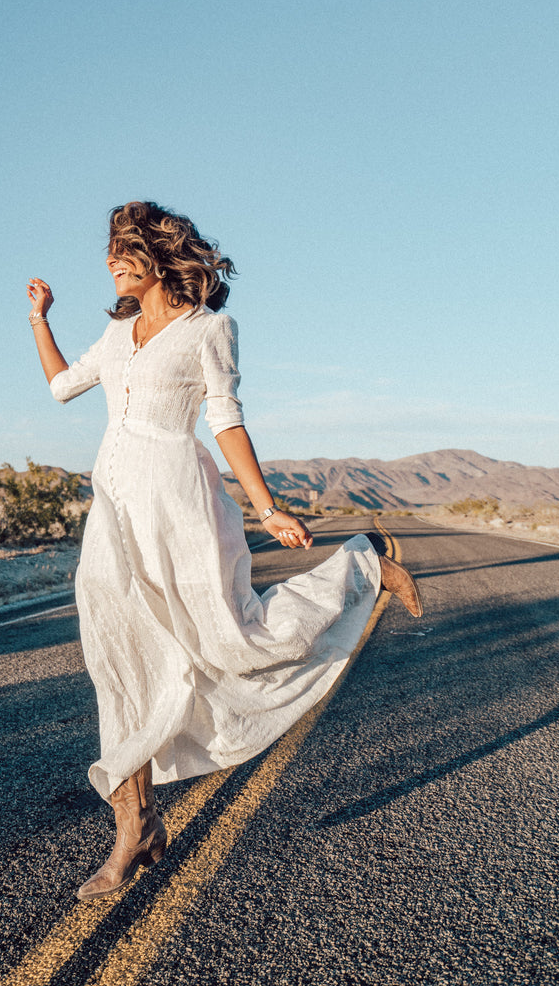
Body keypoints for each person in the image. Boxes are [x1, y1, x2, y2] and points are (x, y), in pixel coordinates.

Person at [27, 201, 422, 901]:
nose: (112, 262)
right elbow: (62, 388)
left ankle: (363, 568)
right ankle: (133, 828)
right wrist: (40, 320)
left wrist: (265, 507)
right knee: (118, 663)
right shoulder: (118, 333)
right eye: (110, 252)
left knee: (232, 639)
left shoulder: (210, 328)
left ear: (158, 256)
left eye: (123, 250)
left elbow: (225, 418)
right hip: (112, 514)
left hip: (177, 503)